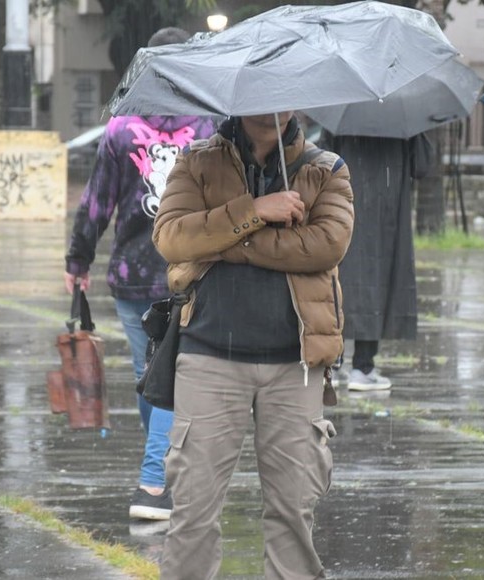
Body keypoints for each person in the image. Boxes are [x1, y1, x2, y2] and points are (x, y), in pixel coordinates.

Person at [153, 112, 353, 578]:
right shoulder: (196, 163)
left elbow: (325, 246)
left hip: (294, 362)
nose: (271, 109)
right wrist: (255, 212)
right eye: (260, 98)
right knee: (193, 511)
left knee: (293, 513)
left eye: (283, 99)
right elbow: (171, 237)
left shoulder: (328, 170)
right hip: (207, 357)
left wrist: (226, 243)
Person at [64, 27, 216, 521]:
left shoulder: (119, 129)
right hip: (193, 271)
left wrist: (78, 260)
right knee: (171, 377)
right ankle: (154, 483)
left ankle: (159, 472)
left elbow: (95, 205)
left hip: (133, 273)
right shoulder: (211, 128)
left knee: (150, 375)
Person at [321, 132, 427, 390]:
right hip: (386, 211)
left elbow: (323, 162)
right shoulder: (401, 122)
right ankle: (363, 366)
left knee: (341, 281)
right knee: (377, 281)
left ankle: (334, 361)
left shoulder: (343, 115)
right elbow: (421, 167)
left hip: (345, 207)